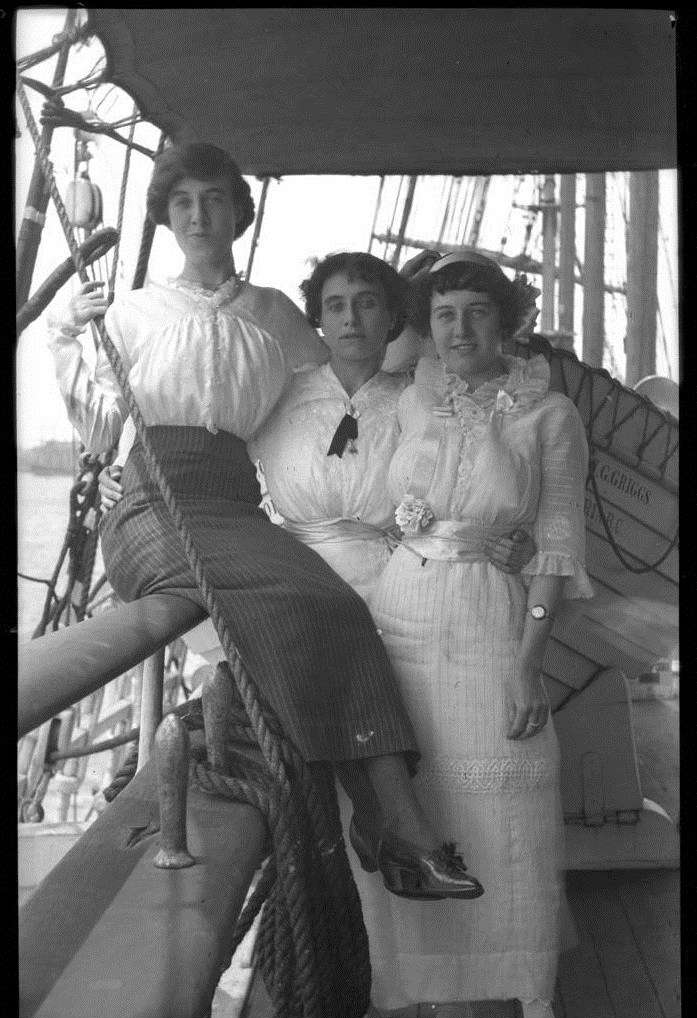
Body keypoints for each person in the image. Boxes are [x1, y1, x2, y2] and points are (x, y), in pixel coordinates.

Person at [99, 247, 536, 1018]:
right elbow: (205, 439)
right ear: (316, 319)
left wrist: (506, 538)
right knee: (311, 812)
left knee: (427, 776)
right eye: (335, 304)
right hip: (292, 595)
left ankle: (433, 985)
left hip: (399, 597)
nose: (351, 318)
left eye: (368, 303)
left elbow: (476, 483)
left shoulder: (420, 397)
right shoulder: (282, 393)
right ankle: (346, 992)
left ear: (393, 317)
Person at [47, 142, 482, 903]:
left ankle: (392, 824)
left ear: (238, 213)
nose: (198, 216)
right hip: (153, 503)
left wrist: (452, 352)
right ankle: (398, 830)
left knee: (337, 608)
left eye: (214, 199)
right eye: (182, 202)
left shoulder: (275, 315)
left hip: (233, 507)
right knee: (299, 611)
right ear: (166, 215)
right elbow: (101, 425)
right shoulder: (135, 311)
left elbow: (348, 373)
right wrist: (64, 333)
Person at [359, 250, 595, 1018]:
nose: (459, 329)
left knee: (514, 818)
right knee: (430, 815)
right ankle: (452, 1002)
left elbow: (557, 543)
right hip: (401, 616)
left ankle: (538, 1012)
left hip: (494, 622)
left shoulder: (548, 413)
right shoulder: (409, 399)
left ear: (506, 321)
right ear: (428, 325)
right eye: (444, 313)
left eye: (476, 312)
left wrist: (527, 661)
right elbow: (374, 507)